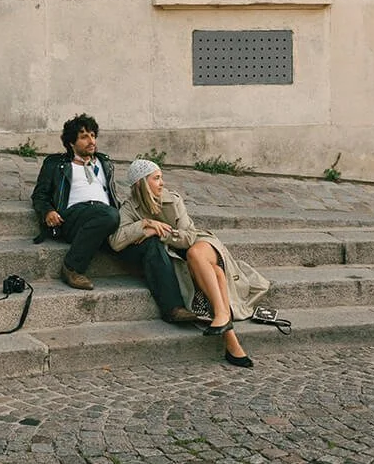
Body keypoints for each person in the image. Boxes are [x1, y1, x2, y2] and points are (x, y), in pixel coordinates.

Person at [30, 114, 196, 324]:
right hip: (73, 218)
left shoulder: (104, 162)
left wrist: (138, 227)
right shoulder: (56, 164)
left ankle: (173, 308)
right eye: (83, 137)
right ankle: (72, 267)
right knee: (107, 213)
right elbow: (39, 195)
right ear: (71, 142)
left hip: (107, 222)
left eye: (93, 135)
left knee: (151, 243)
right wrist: (47, 212)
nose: (91, 141)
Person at [113, 158, 271, 368]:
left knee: (196, 253)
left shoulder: (174, 200)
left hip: (203, 245)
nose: (162, 182)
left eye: (161, 177)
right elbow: (116, 241)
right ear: (142, 183)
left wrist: (160, 232)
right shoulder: (130, 209)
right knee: (214, 273)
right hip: (184, 260)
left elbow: (188, 237)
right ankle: (230, 339)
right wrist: (145, 224)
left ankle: (223, 316)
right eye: (156, 178)